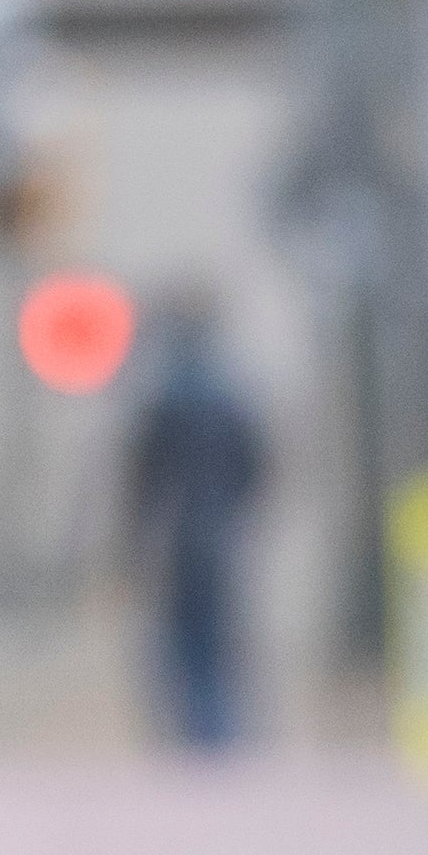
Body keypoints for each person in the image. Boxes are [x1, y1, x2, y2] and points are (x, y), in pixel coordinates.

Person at [127, 300, 266, 752]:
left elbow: (144, 478)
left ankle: (196, 732)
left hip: (178, 536)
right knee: (220, 635)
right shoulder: (231, 396)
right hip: (221, 532)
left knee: (185, 637)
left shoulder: (164, 399)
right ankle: (221, 731)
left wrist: (138, 537)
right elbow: (256, 464)